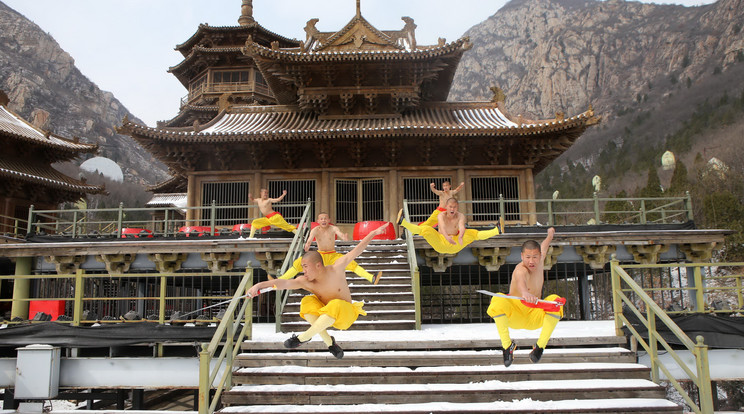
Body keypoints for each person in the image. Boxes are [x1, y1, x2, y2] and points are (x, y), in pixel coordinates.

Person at [247, 223, 391, 359]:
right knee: (307, 301)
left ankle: (303, 337)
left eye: (305, 267)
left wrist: (373, 233)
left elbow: (357, 249)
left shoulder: (337, 268)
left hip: (345, 315)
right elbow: (283, 282)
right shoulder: (305, 281)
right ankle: (330, 343)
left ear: (318, 265)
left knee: (336, 304)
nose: (303, 271)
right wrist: (259, 285)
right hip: (325, 314)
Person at [486, 227, 564, 367]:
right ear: (522, 256)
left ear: (540, 256)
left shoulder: (540, 261)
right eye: (527, 257)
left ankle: (539, 347)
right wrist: (525, 293)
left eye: (535, 257)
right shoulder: (520, 269)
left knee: (555, 301)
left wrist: (550, 236)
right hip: (515, 314)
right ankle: (507, 347)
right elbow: (521, 280)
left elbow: (544, 246)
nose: (531, 261)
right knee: (498, 299)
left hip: (534, 315)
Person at [276, 212, 382, 284]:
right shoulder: (316, 230)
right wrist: (307, 244)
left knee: (351, 264)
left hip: (332, 256)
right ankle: (279, 280)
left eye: (325, 218)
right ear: (318, 220)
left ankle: (371, 278)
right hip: (319, 256)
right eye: (321, 219)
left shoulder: (333, 228)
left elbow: (339, 233)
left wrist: (344, 237)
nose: (323, 220)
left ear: (329, 220)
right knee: (299, 263)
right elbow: (310, 239)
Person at [397, 198, 503, 255]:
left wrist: (461, 237)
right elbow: (442, 228)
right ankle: (403, 222)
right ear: (446, 207)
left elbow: (462, 227)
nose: (452, 209)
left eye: (455, 207)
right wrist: (447, 238)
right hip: (441, 242)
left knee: (472, 233)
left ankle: (497, 230)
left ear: (457, 208)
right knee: (426, 229)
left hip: (456, 243)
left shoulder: (460, 216)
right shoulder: (441, 215)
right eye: (451, 207)